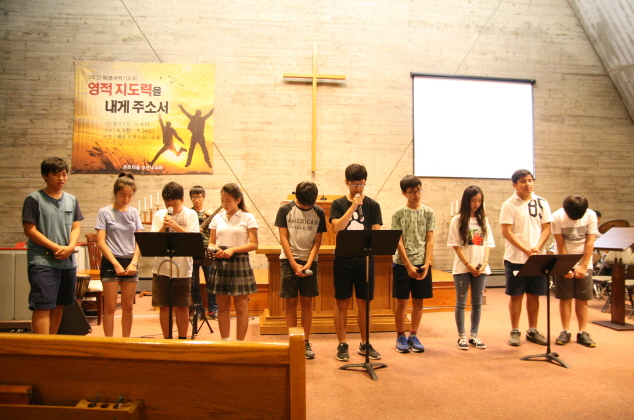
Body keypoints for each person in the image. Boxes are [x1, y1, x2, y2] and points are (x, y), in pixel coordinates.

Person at [22, 157, 84, 334]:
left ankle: (52, 343)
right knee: (42, 306)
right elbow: (30, 230)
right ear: (45, 176)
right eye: (56, 175)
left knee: (59, 305)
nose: (61, 178)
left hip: (67, 262)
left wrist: (70, 247)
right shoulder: (34, 199)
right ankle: (42, 348)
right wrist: (56, 247)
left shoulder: (72, 200)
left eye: (64, 174)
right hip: (43, 261)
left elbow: (76, 227)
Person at [330, 164, 382, 362]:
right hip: (343, 259)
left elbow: (375, 234)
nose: (358, 188)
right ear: (347, 183)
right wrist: (353, 207)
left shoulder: (373, 206)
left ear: (365, 182)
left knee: (365, 303)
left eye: (361, 184)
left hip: (365, 260)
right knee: (341, 302)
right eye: (354, 184)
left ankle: (365, 343)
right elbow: (337, 228)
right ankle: (342, 343)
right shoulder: (338, 204)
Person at [275, 181, 327, 359]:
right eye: (304, 204)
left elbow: (317, 242)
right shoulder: (285, 210)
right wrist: (293, 263)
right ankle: (293, 341)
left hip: (310, 261)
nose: (306, 207)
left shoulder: (319, 212)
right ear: (297, 197)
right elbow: (283, 238)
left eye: (309, 204)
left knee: (307, 303)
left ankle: (305, 341)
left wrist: (308, 263)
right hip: (288, 260)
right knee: (290, 303)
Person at [500, 169, 552, 346]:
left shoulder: (542, 202)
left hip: (537, 258)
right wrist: (526, 250)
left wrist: (537, 248)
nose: (528, 184)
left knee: (534, 295)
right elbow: (507, 232)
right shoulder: (509, 204)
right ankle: (515, 330)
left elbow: (547, 229)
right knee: (516, 295)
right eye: (523, 181)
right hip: (516, 258)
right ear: (514, 185)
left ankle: (533, 330)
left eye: (530, 180)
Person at [207, 183, 259, 341]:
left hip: (239, 260)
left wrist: (233, 250)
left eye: (228, 201)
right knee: (222, 305)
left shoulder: (247, 217)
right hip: (220, 260)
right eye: (222, 200)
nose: (224, 204)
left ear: (238, 200)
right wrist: (216, 249)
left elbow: (254, 244)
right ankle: (225, 341)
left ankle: (240, 342)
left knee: (241, 305)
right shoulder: (217, 218)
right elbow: (211, 242)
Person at [95, 172, 143, 337]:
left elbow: (140, 240)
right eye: (123, 195)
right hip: (111, 261)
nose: (126, 199)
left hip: (130, 261)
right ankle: (109, 342)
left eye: (130, 196)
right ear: (115, 193)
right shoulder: (104, 212)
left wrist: (134, 262)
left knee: (128, 307)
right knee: (110, 307)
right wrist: (115, 263)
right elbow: (101, 242)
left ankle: (126, 340)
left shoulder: (134, 212)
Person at [447, 185, 495, 350]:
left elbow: (487, 244)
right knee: (461, 303)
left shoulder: (484, 220)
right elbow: (456, 245)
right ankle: (461, 336)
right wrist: (468, 264)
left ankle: (474, 335)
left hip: (480, 267)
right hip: (463, 267)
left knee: (477, 303)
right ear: (466, 201)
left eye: (479, 201)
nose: (476, 204)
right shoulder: (458, 220)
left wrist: (485, 262)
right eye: (473, 201)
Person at [391, 175, 435, 354]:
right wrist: (408, 265)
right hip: (402, 263)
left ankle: (413, 335)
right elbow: (398, 240)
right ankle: (400, 335)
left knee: (418, 300)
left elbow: (430, 239)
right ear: (404, 193)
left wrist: (427, 263)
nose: (417, 194)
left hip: (422, 263)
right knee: (401, 301)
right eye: (412, 192)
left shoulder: (428, 212)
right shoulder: (398, 213)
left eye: (418, 190)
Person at [152, 182, 199, 339]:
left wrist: (176, 226)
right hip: (161, 267)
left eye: (175, 204)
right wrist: (164, 227)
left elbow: (194, 238)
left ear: (183, 200)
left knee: (182, 306)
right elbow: (153, 241)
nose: (171, 207)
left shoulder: (190, 214)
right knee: (164, 306)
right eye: (168, 204)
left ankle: (182, 339)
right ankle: (167, 340)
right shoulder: (159, 215)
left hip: (182, 268)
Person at [552, 195, 598, 348]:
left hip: (585, 261)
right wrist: (566, 266)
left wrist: (584, 266)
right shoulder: (557, 216)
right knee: (565, 298)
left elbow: (590, 241)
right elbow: (560, 242)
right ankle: (566, 331)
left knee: (582, 298)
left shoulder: (590, 215)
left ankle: (582, 332)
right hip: (564, 260)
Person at [190, 185, 218, 320]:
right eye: (194, 197)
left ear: (204, 197)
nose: (196, 200)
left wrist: (213, 216)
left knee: (211, 281)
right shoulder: (188, 214)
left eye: (199, 197)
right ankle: (198, 310)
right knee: (193, 282)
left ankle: (213, 310)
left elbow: (217, 229)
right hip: (192, 249)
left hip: (207, 250)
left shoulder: (209, 214)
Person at [178, 104, 214, 168]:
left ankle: (208, 162)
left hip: (200, 136)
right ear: (196, 113)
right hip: (194, 136)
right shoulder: (192, 118)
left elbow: (209, 113)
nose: (198, 114)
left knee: (204, 149)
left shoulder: (202, 119)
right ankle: (188, 162)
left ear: (200, 114)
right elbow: (186, 113)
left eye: (199, 113)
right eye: (197, 113)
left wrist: (214, 108)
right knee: (191, 149)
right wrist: (181, 108)